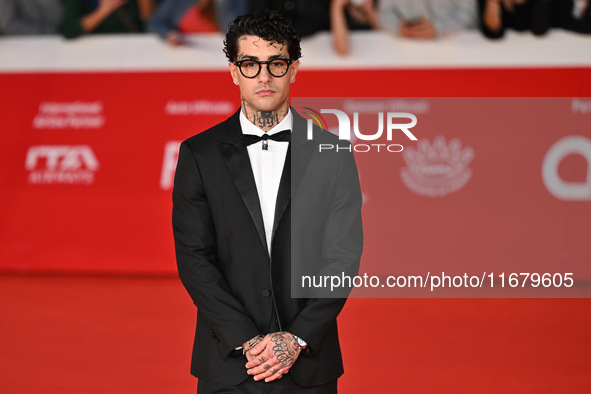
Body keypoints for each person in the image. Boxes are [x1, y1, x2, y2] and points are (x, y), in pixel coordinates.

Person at [172, 8, 363, 393]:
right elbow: (194, 257)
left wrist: (296, 339)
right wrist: (247, 339)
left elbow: (342, 256)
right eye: (250, 64)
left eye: (276, 63)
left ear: (293, 69)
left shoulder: (333, 153)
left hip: (309, 363)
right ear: (233, 71)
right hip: (228, 361)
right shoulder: (199, 153)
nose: (263, 76)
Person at [378, 0, 477, 39]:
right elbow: (384, 13)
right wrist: (398, 27)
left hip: (452, 48)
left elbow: (469, 14)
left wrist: (438, 29)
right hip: (406, 47)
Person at [60, 0, 157, 39]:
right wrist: (103, 11)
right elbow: (68, 29)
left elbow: (153, 23)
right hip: (96, 59)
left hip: (136, 56)